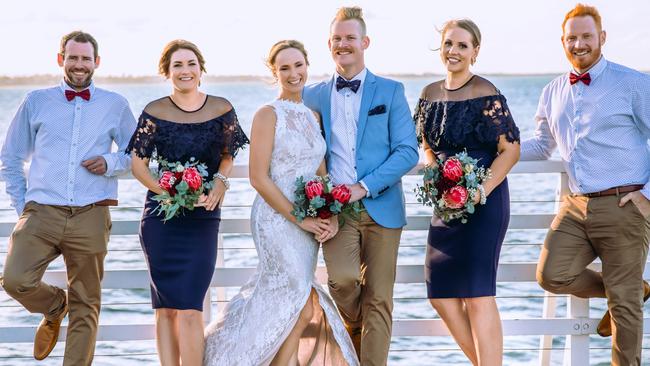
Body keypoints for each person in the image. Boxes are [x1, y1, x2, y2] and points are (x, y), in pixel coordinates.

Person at [203, 40, 358, 366]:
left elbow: (321, 173)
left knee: (296, 302)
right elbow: (259, 178)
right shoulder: (266, 114)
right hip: (276, 221)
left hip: (309, 224)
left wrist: (330, 216)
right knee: (297, 298)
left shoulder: (314, 116)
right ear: (274, 73)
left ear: (307, 66)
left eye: (298, 65)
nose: (293, 73)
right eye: (284, 68)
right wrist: (298, 219)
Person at [520, 4, 650, 365]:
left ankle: (628, 298)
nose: (579, 44)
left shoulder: (633, 83)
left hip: (626, 204)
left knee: (624, 310)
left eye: (586, 36)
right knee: (551, 274)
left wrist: (647, 196)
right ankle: (634, 289)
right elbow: (541, 146)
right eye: (571, 37)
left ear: (602, 38)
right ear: (563, 41)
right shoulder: (552, 91)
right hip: (576, 206)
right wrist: (493, 152)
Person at [0, 31, 136, 365]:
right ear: (61, 59)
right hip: (41, 213)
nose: (79, 65)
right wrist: (24, 207)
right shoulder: (36, 101)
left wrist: (111, 163)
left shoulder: (115, 105)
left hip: (92, 213)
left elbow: (139, 154)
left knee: (86, 304)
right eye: (72, 58)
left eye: (85, 59)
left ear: (96, 63)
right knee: (15, 281)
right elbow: (11, 158)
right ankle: (54, 306)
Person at [303, 7, 419, 365]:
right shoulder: (313, 96)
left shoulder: (391, 90)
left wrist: (365, 186)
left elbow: (407, 151)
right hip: (337, 211)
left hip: (382, 206)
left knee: (380, 299)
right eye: (337, 39)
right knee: (341, 282)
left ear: (365, 42)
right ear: (329, 44)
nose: (343, 44)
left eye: (350, 38)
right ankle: (352, 325)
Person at [126, 39, 248, 366]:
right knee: (164, 309)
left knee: (192, 308)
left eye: (191, 63)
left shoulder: (222, 109)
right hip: (161, 219)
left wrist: (221, 183)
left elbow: (227, 156)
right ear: (167, 72)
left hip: (203, 218)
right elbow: (139, 165)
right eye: (177, 65)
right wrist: (167, 191)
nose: (185, 70)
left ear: (201, 68)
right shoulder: (154, 112)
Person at [413, 18, 521, 365]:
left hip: (484, 203)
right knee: (440, 294)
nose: (454, 51)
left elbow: (511, 149)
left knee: (477, 295)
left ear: (475, 51)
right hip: (445, 202)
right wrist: (433, 167)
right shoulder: (429, 94)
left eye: (462, 45)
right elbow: (426, 145)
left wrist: (481, 190)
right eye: (448, 44)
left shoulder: (485, 91)